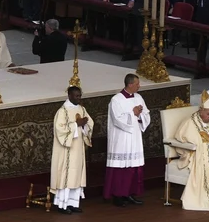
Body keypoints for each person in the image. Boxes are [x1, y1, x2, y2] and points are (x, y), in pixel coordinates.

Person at [104, 73, 149, 206]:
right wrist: (132, 113)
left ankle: (129, 194)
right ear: (130, 84)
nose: (139, 86)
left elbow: (146, 114)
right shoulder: (116, 100)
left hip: (134, 137)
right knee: (121, 168)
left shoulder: (139, 97)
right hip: (121, 139)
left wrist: (140, 115)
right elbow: (117, 119)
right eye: (137, 84)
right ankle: (118, 196)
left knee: (133, 167)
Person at [49, 85, 93, 213]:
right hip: (66, 150)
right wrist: (76, 125)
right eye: (76, 96)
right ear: (69, 96)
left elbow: (90, 123)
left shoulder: (82, 109)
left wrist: (85, 124)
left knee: (76, 175)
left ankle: (73, 203)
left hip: (78, 148)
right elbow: (59, 130)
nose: (79, 98)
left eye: (80, 96)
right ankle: (63, 205)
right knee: (66, 175)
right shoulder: (62, 111)